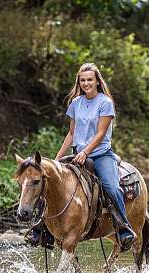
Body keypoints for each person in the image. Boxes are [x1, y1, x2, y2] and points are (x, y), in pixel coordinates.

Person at [54, 62, 135, 251]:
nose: (86, 83)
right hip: (77, 155)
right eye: (82, 80)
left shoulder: (105, 102)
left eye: (89, 79)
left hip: (100, 154)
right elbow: (71, 133)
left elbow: (100, 134)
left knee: (111, 186)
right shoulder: (75, 103)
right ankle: (41, 229)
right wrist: (57, 159)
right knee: (50, 180)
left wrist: (85, 152)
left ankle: (124, 228)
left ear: (97, 81)